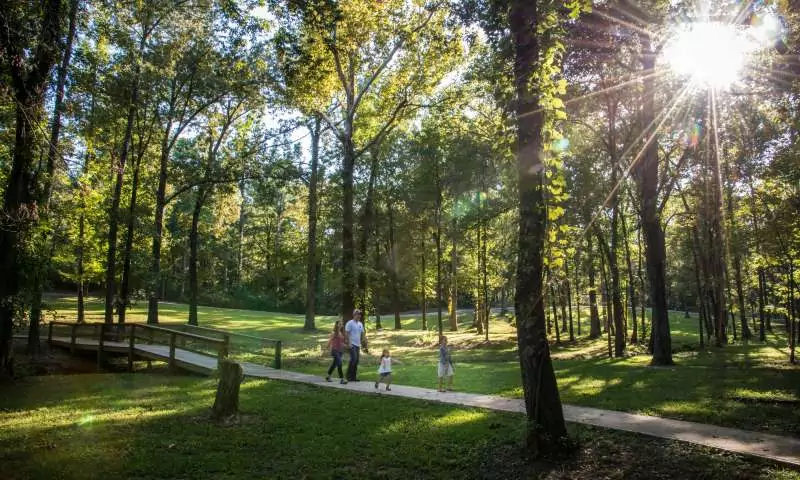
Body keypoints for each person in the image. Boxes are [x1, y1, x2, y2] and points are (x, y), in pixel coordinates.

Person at [345, 309, 366, 381]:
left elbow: (363, 333)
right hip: (352, 344)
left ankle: (353, 377)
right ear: (353, 315)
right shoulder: (350, 323)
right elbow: (347, 333)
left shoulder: (360, 324)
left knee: (356, 360)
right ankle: (348, 376)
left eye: (360, 314)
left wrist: (363, 339)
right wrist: (349, 343)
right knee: (353, 359)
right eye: (357, 314)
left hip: (358, 344)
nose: (359, 316)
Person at [325, 320, 347, 384]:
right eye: (339, 324)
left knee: (334, 364)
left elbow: (341, 343)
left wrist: (348, 346)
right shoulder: (334, 332)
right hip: (335, 350)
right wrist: (326, 349)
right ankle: (342, 379)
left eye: (341, 324)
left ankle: (328, 376)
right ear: (336, 325)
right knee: (339, 363)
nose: (341, 325)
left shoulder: (340, 332)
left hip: (340, 351)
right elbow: (330, 341)